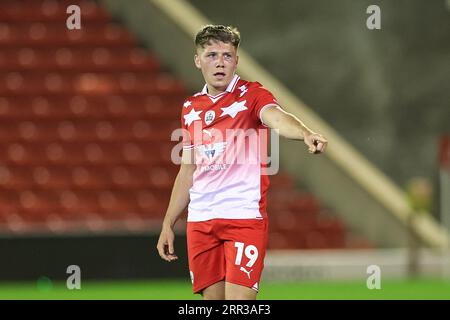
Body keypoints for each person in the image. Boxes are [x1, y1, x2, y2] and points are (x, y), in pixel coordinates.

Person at [156, 24, 328, 300]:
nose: (220, 62)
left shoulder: (252, 95)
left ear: (236, 61)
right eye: (212, 55)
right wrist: (168, 223)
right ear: (198, 60)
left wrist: (305, 133)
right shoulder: (190, 108)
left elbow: (277, 118)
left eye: (227, 55)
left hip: (243, 216)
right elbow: (187, 169)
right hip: (201, 220)